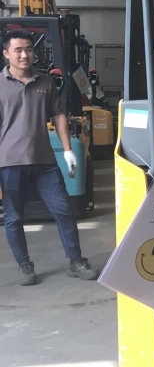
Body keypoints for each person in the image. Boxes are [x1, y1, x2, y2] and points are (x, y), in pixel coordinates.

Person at [0, 29, 98, 285]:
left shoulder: (45, 82)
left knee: (64, 210)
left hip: (44, 161)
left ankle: (76, 261)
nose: (24, 54)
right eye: (18, 50)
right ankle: (24, 265)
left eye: (29, 49)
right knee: (14, 217)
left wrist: (67, 150)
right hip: (10, 163)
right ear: (6, 54)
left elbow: (59, 114)